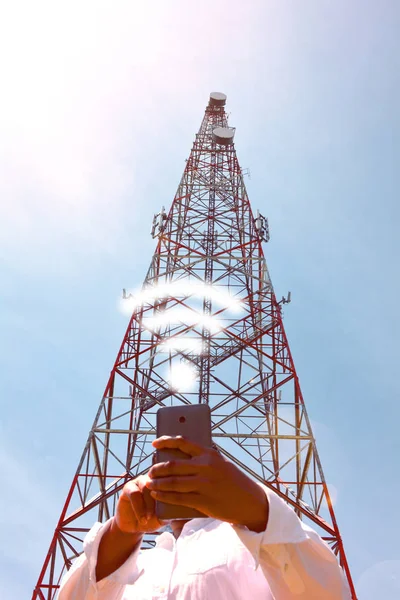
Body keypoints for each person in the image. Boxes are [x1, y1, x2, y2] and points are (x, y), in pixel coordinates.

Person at [59, 435, 351, 599]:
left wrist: (256, 509)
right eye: (163, 465)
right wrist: (121, 534)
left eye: (196, 461)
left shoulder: (260, 541)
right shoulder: (138, 564)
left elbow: (326, 593)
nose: (178, 471)